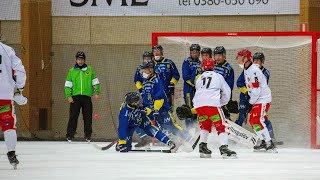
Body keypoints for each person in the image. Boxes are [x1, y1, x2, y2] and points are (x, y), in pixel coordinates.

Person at [140, 60, 193, 149]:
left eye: (146, 70)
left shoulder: (157, 81)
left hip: (162, 110)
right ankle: (174, 142)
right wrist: (145, 108)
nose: (144, 72)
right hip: (153, 111)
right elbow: (146, 98)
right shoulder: (145, 82)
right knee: (159, 128)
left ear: (152, 70)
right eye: (143, 70)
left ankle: (190, 138)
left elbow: (159, 98)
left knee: (172, 126)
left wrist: (156, 109)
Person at [192, 58, 237, 158]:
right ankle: (224, 148)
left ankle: (202, 146)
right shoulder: (218, 76)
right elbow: (227, 92)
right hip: (212, 104)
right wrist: (221, 103)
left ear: (203, 67)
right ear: (213, 66)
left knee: (205, 124)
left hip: (199, 106)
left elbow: (199, 91)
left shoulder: (199, 78)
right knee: (221, 125)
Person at [237, 49, 277, 153]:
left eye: (241, 58)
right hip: (256, 99)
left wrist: (250, 103)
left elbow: (256, 89)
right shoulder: (246, 70)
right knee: (252, 121)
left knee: (258, 120)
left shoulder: (254, 70)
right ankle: (263, 141)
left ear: (246, 58)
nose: (239, 60)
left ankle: (269, 143)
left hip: (263, 99)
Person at [0, 42, 27, 169]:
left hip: (5, 93)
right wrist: (19, 87)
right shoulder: (7, 49)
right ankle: (11, 153)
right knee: (8, 124)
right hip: (4, 95)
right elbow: (19, 69)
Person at [64, 51, 100, 142]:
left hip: (86, 97)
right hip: (75, 97)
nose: (80, 61)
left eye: (82, 59)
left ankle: (88, 136)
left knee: (87, 117)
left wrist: (97, 92)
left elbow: (95, 82)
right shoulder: (72, 71)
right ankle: (70, 135)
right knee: (73, 117)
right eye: (79, 59)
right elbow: (68, 85)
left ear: (84, 60)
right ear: (76, 60)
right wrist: (68, 96)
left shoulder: (90, 70)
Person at [133, 51, 153, 148]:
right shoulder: (140, 68)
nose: (146, 60)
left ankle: (168, 138)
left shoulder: (154, 69)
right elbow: (136, 79)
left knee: (160, 119)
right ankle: (145, 138)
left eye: (148, 58)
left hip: (155, 99)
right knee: (138, 117)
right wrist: (140, 89)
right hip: (144, 97)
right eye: (145, 58)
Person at [152, 45, 180, 111]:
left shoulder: (169, 63)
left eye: (158, 51)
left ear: (162, 52)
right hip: (155, 93)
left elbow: (176, 75)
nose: (156, 53)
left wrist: (172, 83)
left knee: (169, 111)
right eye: (154, 51)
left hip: (168, 92)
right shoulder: (151, 64)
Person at [182, 44, 202, 129]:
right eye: (193, 52)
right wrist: (194, 85)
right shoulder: (187, 61)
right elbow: (185, 76)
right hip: (189, 90)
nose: (195, 54)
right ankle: (189, 130)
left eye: (196, 52)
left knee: (197, 109)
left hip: (198, 90)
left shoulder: (200, 63)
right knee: (189, 109)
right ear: (190, 53)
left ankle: (196, 128)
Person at [213, 46, 235, 120]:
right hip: (212, 96)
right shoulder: (211, 65)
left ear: (224, 55)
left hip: (222, 97)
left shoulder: (228, 68)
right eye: (216, 55)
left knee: (224, 117)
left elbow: (229, 86)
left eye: (219, 55)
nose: (217, 57)